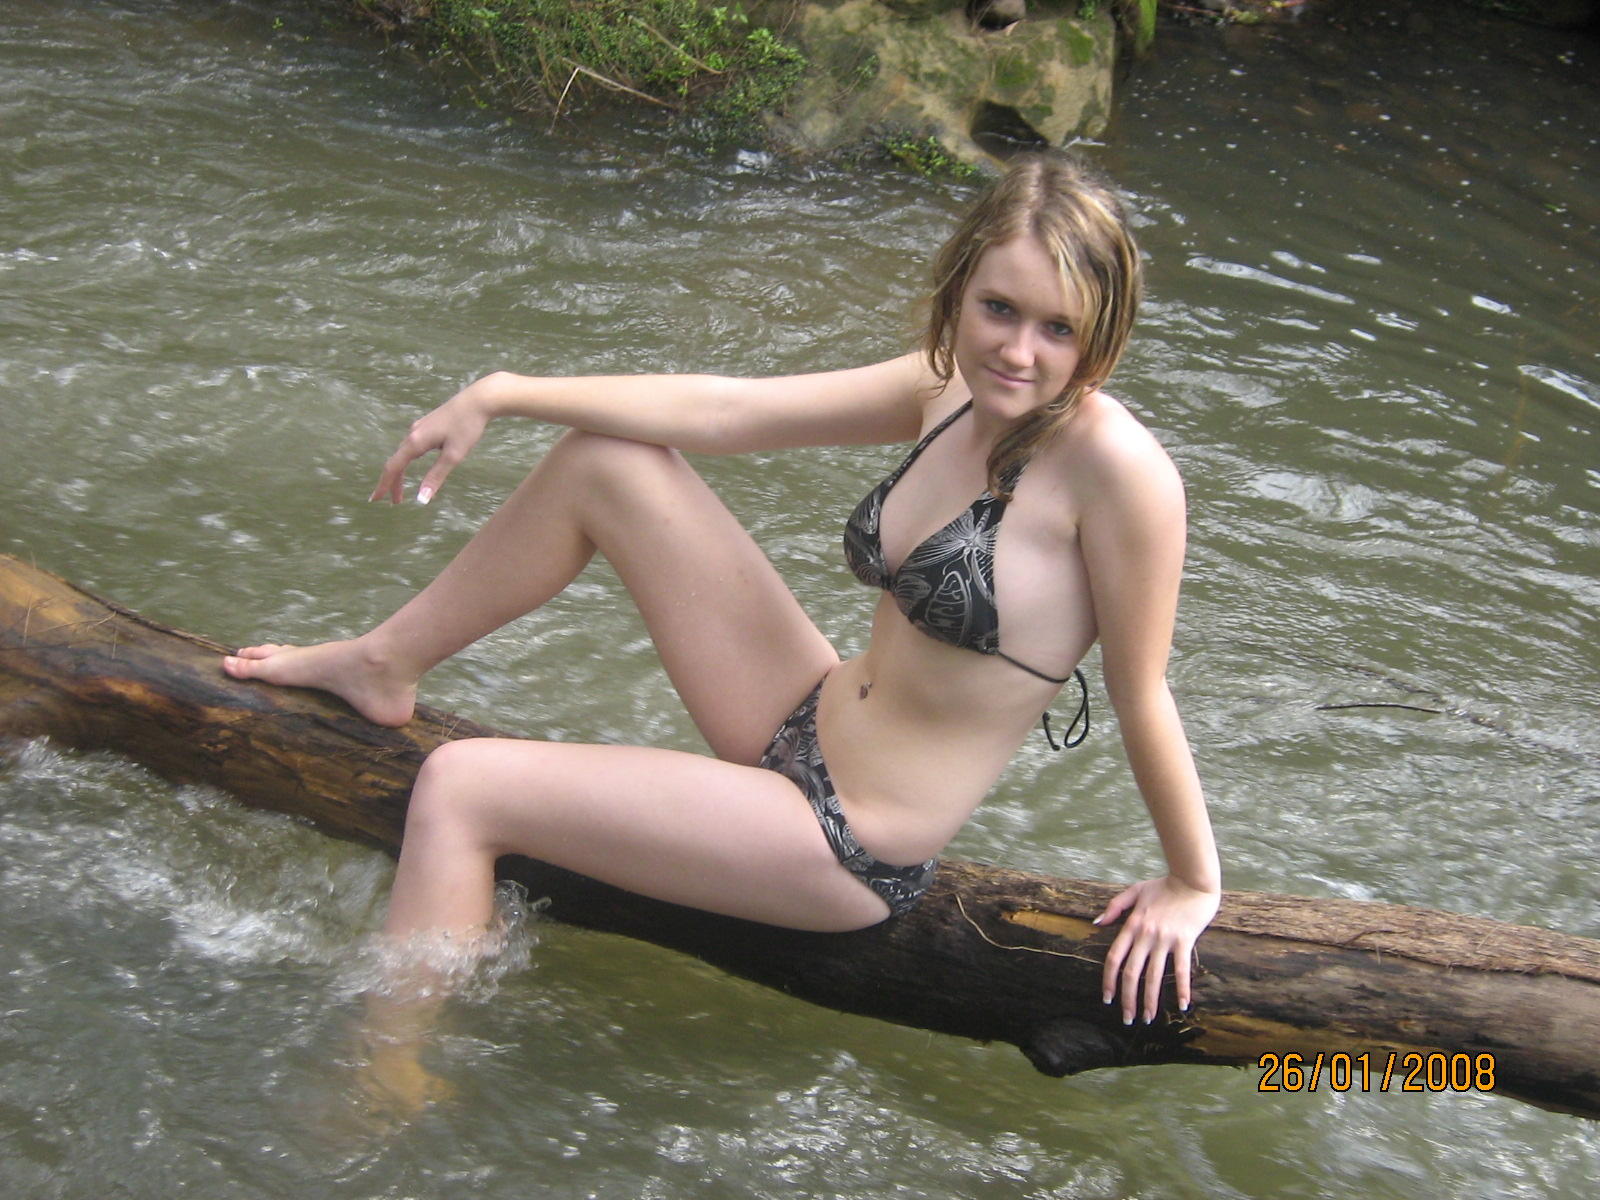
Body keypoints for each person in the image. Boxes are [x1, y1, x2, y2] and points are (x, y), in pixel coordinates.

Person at [221, 151, 1220, 1102]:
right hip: (803, 710)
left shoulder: (1121, 476)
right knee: (606, 461)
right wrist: (502, 393)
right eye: (998, 308)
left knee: (459, 789)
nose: (1018, 349)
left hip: (850, 840)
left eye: (1058, 328)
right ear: (959, 288)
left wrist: (1190, 879)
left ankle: (387, 1076)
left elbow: (1142, 692)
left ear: (1101, 332)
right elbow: (726, 409)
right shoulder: (948, 388)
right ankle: (383, 663)